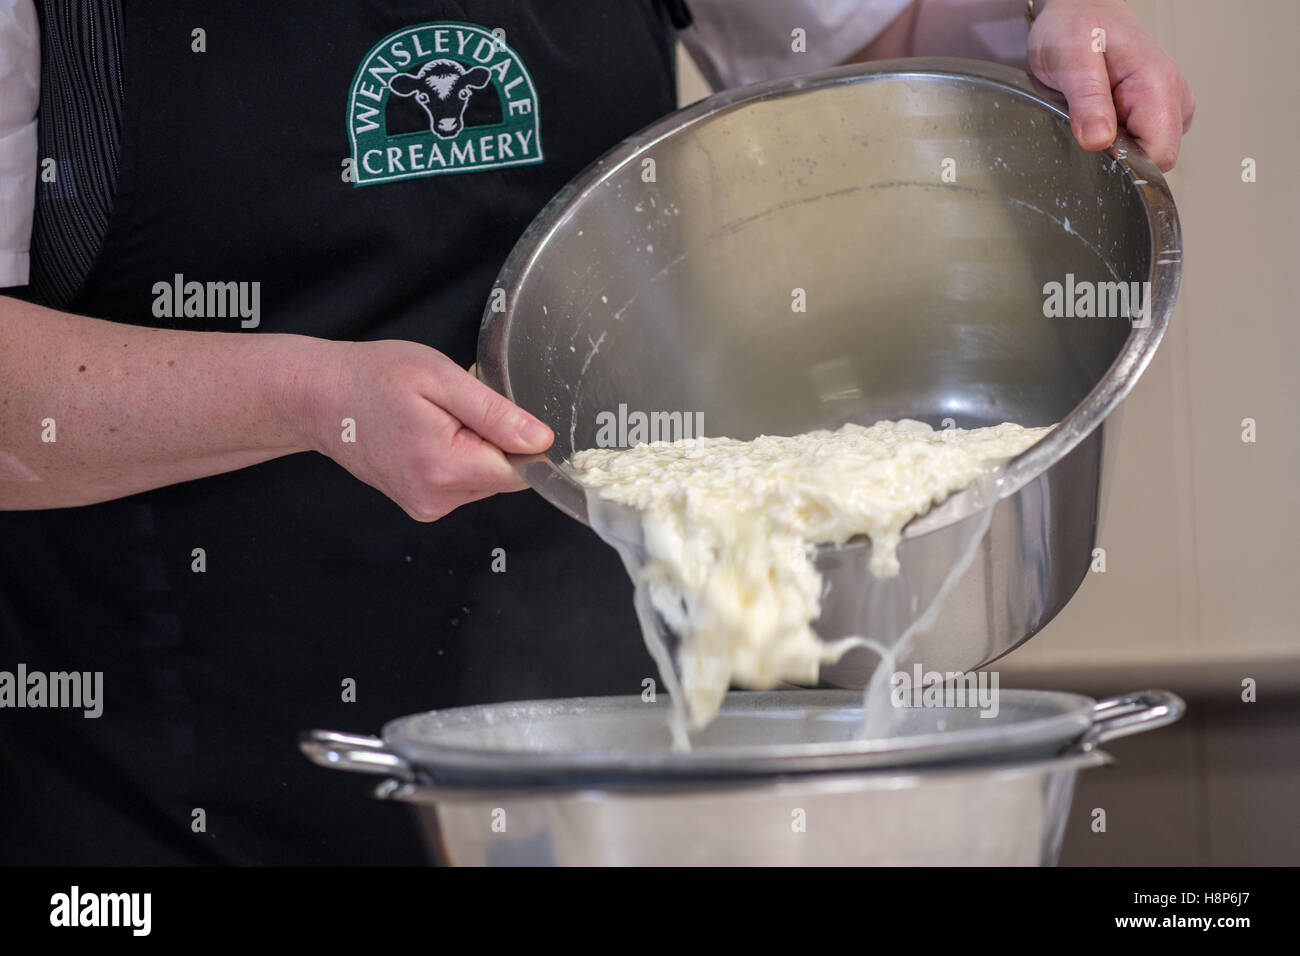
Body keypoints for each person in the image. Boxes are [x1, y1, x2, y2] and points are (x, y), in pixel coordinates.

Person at [0, 0, 1193, 865]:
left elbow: (878, 42)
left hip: (619, 754)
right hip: (165, 785)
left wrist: (1046, 27)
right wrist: (309, 398)